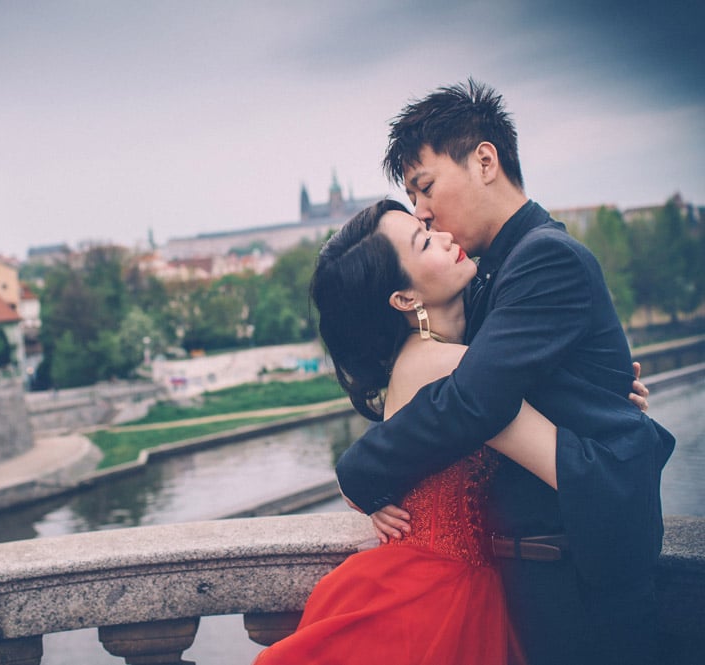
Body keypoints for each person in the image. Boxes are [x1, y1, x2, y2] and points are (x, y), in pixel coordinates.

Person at [334, 80, 675, 665]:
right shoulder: (492, 270)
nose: (423, 209)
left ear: (485, 160)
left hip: (580, 575)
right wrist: (596, 392)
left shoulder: (543, 255)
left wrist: (359, 468)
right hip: (535, 571)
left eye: (425, 186)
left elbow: (474, 400)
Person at [254, 200, 557, 664]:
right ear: (405, 299)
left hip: (430, 583)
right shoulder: (445, 365)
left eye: (427, 229)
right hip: (433, 596)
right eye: (424, 242)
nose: (446, 237)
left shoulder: (432, 357)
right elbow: (563, 430)